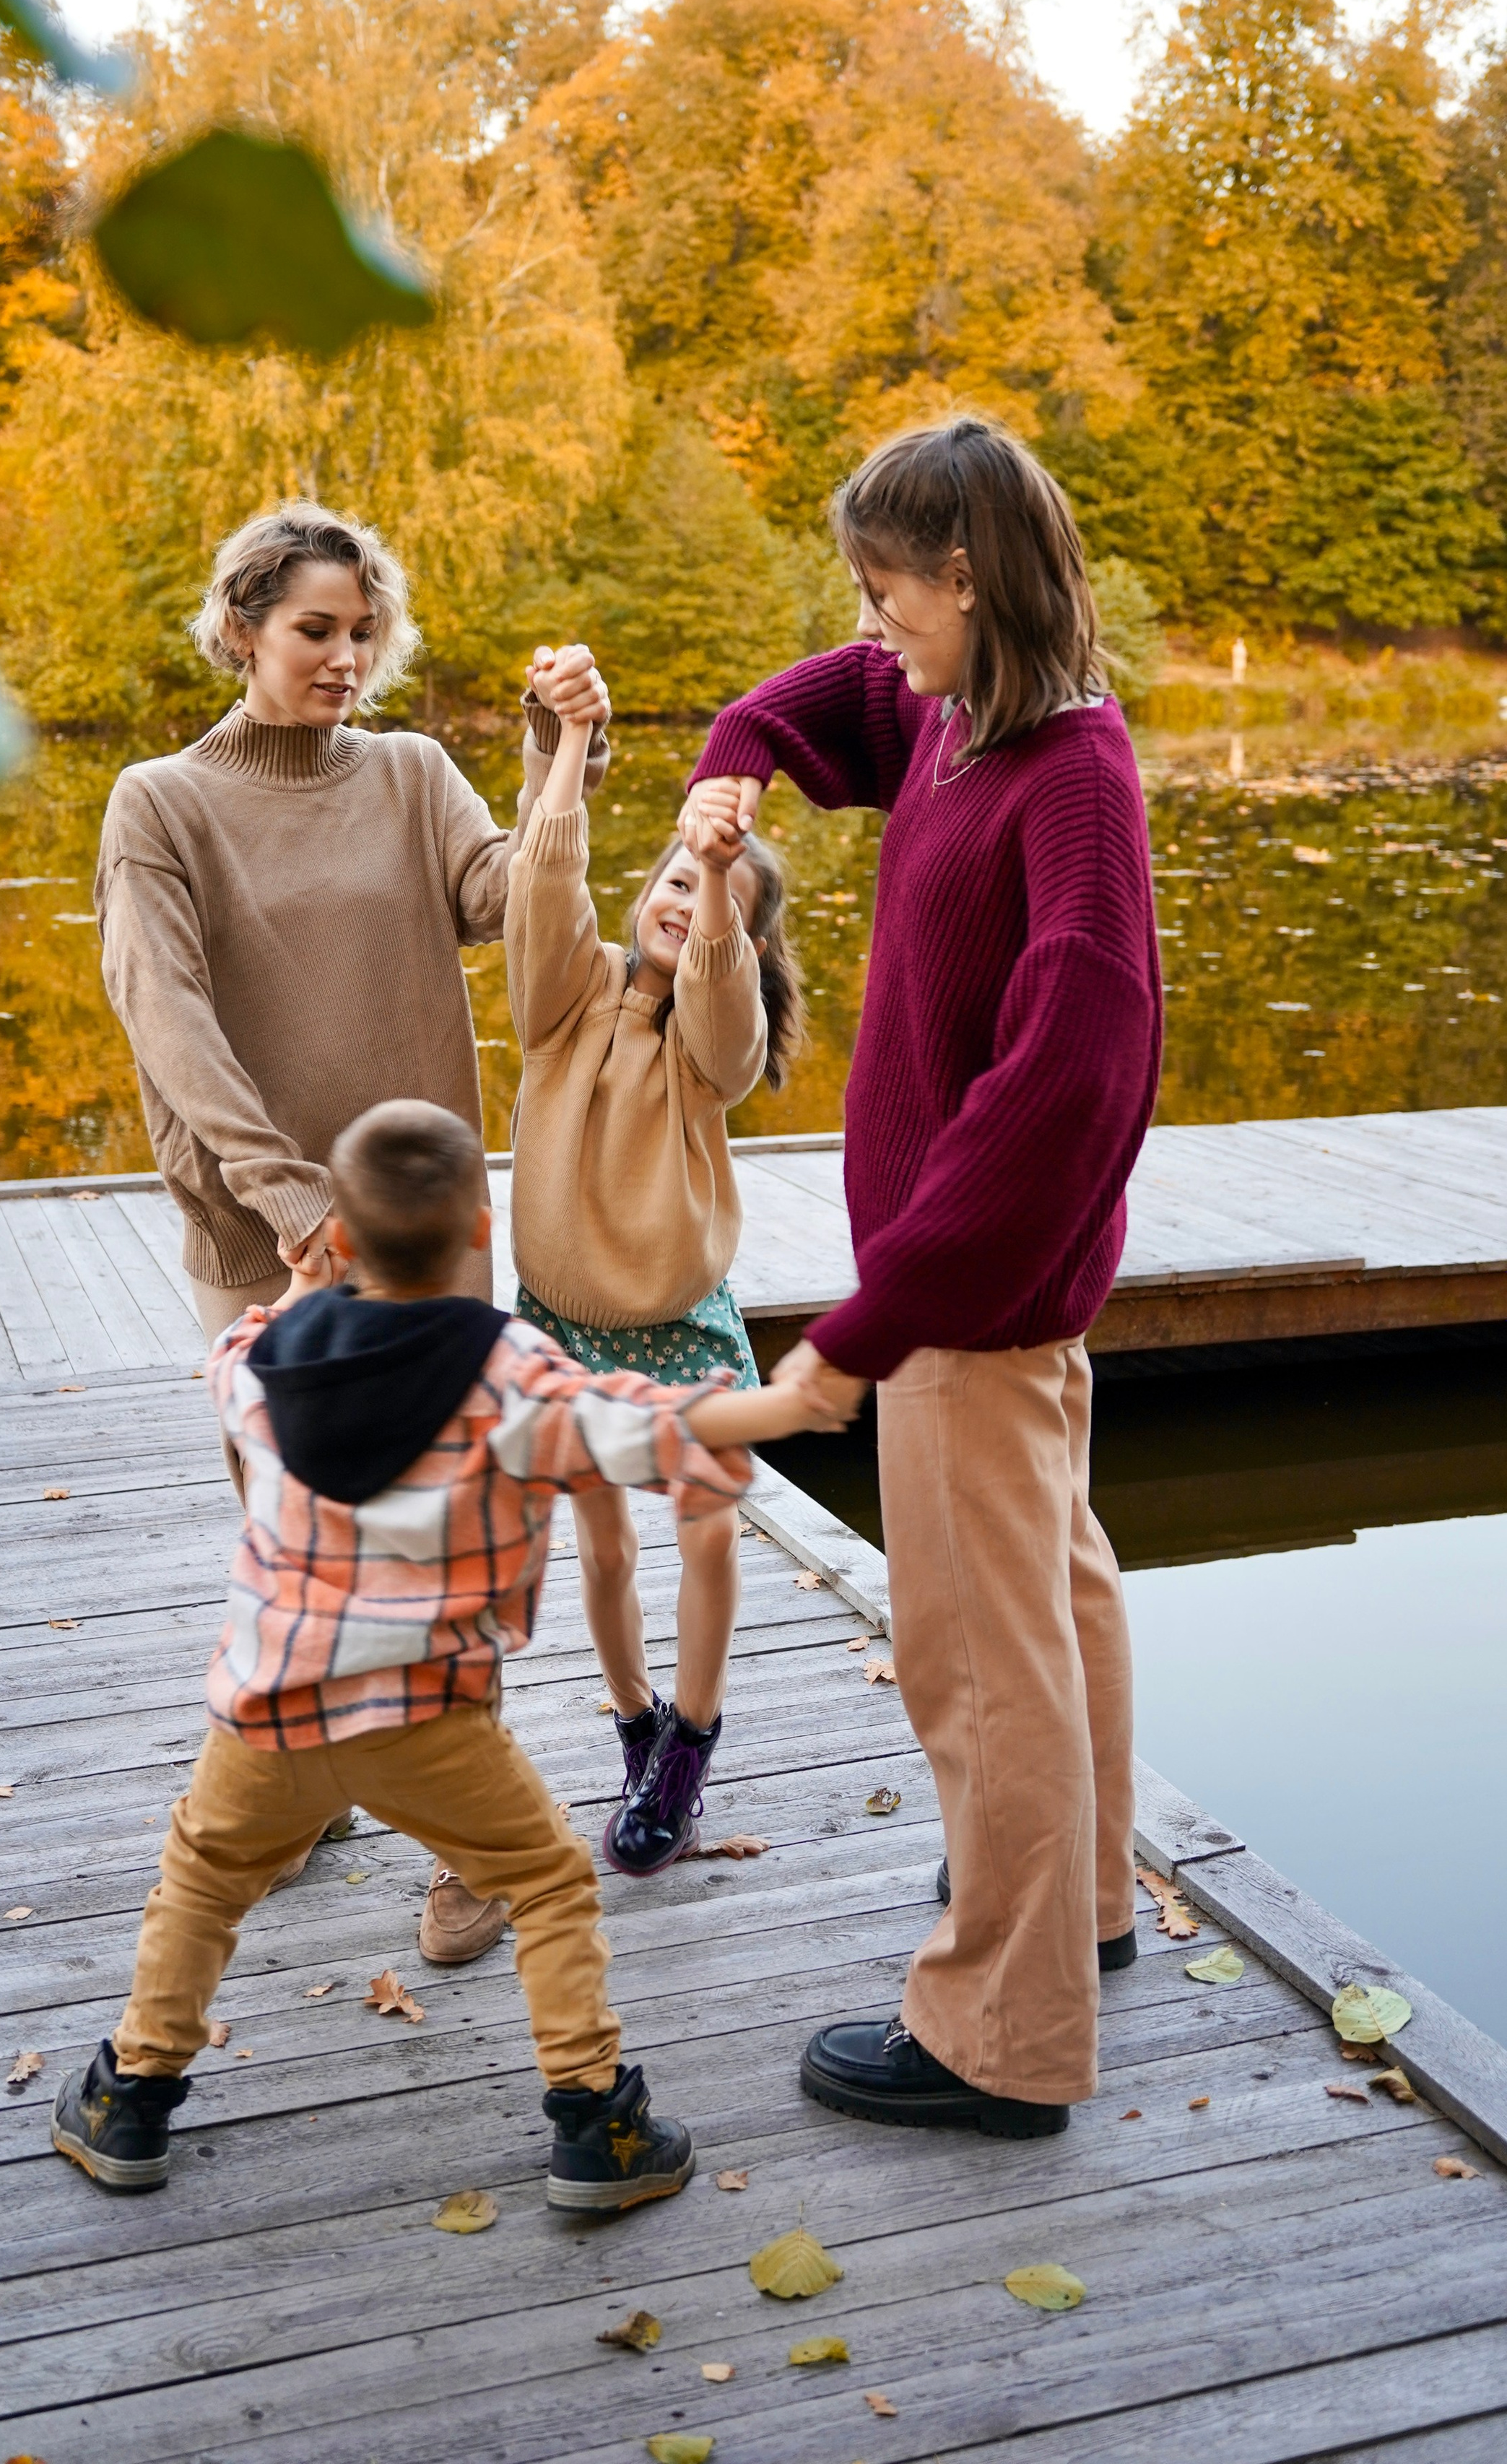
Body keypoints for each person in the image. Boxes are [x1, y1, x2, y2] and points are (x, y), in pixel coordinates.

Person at [50, 1100, 838, 2202]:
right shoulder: (508, 1372)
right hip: (428, 1717)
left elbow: (228, 1359)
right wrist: (786, 1405)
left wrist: (298, 1285)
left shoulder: (272, 1358)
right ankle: (594, 2125)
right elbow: (641, 1425)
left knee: (205, 1877)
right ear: (481, 1225)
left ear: (342, 1235)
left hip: (269, 1713)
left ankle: (130, 2100)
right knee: (551, 1882)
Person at [686, 414, 1161, 2140]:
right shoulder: (965, 718)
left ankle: (998, 2038)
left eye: (887, 592)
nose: (870, 626)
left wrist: (856, 1341)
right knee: (1060, 1608)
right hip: (997, 1309)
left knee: (976, 1667)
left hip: (967, 1310)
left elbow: (1061, 1094)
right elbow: (832, 702)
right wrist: (731, 757)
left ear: (966, 575)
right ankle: (1080, 1918)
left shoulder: (1069, 792)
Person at [93, 500, 604, 1960]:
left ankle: (472, 1843)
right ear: (243, 626)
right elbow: (167, 1018)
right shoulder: (160, 803)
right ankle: (303, 1776)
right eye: (314, 629)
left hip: (428, 1229)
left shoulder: (411, 772)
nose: (343, 657)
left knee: (449, 1527)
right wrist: (289, 1196)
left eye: (362, 631)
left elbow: (515, 904)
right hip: (260, 1230)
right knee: (291, 1525)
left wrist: (556, 755)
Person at [505, 648, 804, 1878]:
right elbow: (544, 886)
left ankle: (690, 1740)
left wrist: (730, 871)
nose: (686, 897)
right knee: (602, 1542)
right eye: (675, 879)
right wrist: (570, 742)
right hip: (559, 1324)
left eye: (711, 891)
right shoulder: (564, 998)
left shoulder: (706, 1048)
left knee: (709, 1533)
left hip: (678, 1321)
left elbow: (730, 1003)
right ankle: (635, 1727)